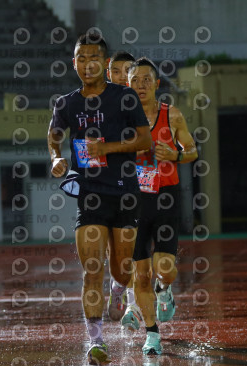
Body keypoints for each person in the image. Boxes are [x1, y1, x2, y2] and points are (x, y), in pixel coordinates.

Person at [47, 33, 152, 365]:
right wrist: (56, 158)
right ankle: (96, 342)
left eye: (93, 58)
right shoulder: (66, 103)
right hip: (90, 196)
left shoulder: (124, 97)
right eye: (81, 58)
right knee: (92, 269)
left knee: (121, 270)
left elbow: (144, 140)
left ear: (105, 64)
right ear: (74, 63)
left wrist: (107, 148)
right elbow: (53, 135)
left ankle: (118, 290)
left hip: (124, 194)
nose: (87, 64)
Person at [118, 57, 198, 355]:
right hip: (132, 202)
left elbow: (192, 151)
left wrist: (175, 155)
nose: (140, 86)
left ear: (156, 84)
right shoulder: (120, 119)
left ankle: (165, 290)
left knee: (164, 268)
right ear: (127, 85)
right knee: (140, 275)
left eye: (146, 80)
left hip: (165, 197)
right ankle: (152, 335)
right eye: (134, 81)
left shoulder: (171, 115)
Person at [104, 50, 136, 322]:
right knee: (115, 254)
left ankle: (133, 308)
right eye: (116, 71)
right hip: (106, 186)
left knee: (140, 249)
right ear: (108, 73)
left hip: (140, 185)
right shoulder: (97, 105)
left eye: (127, 72)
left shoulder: (143, 103)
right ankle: (117, 286)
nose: (121, 77)